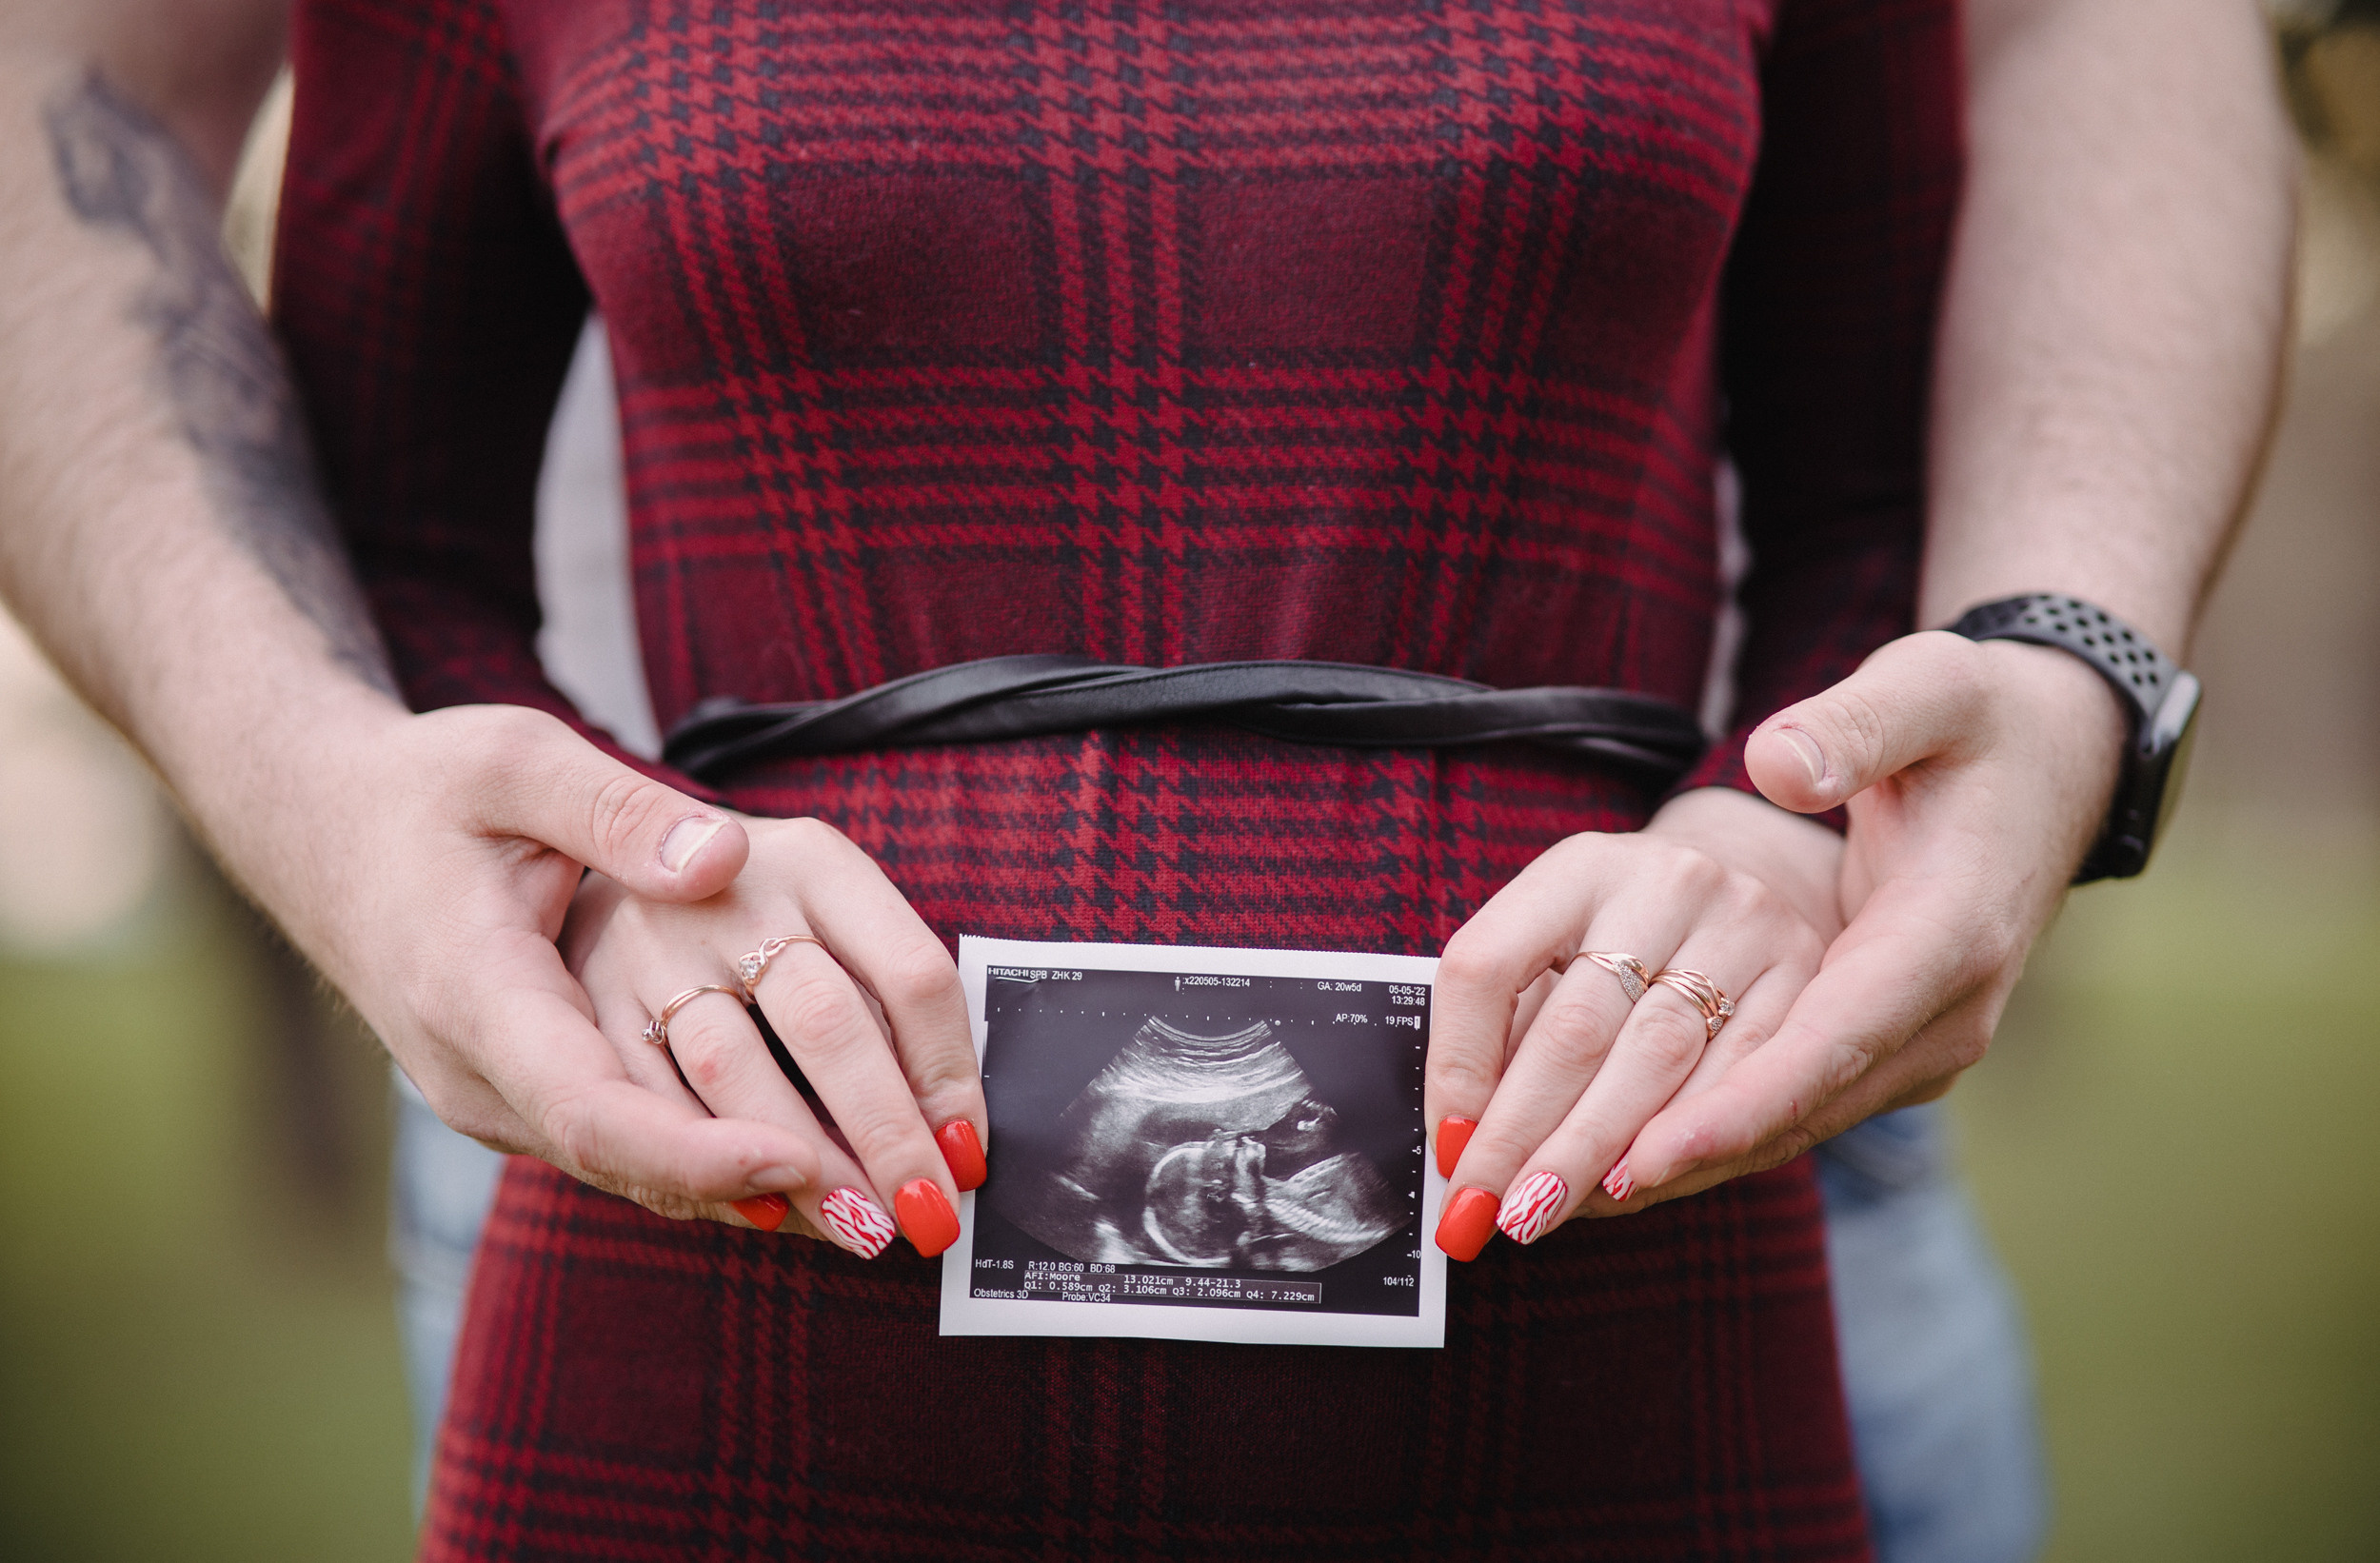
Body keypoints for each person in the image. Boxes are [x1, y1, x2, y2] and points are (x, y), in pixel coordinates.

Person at [0, 0, 2289, 1558]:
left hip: (1652, 1170)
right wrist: (393, 818)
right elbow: (389, 520)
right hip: (700, 1166)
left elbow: (1865, 497)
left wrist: (1892, 762)